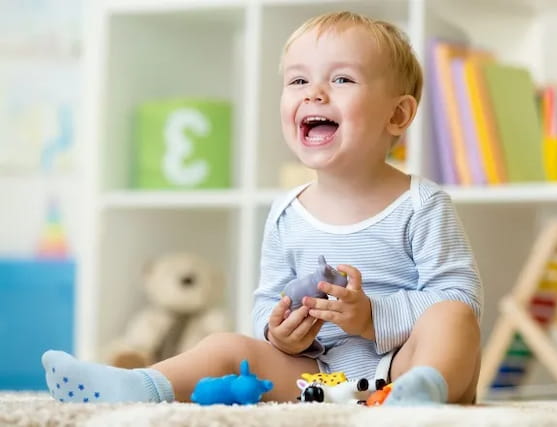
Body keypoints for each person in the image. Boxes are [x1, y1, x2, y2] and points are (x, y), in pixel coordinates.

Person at [41, 11, 482, 406]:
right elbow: (269, 300)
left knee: (453, 319)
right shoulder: (286, 212)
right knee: (225, 346)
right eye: (298, 81)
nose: (314, 94)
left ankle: (425, 392)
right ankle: (139, 386)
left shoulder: (420, 204)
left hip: (398, 369)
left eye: (342, 79)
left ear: (398, 116)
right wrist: (280, 333)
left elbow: (459, 297)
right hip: (317, 377)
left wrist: (371, 318)